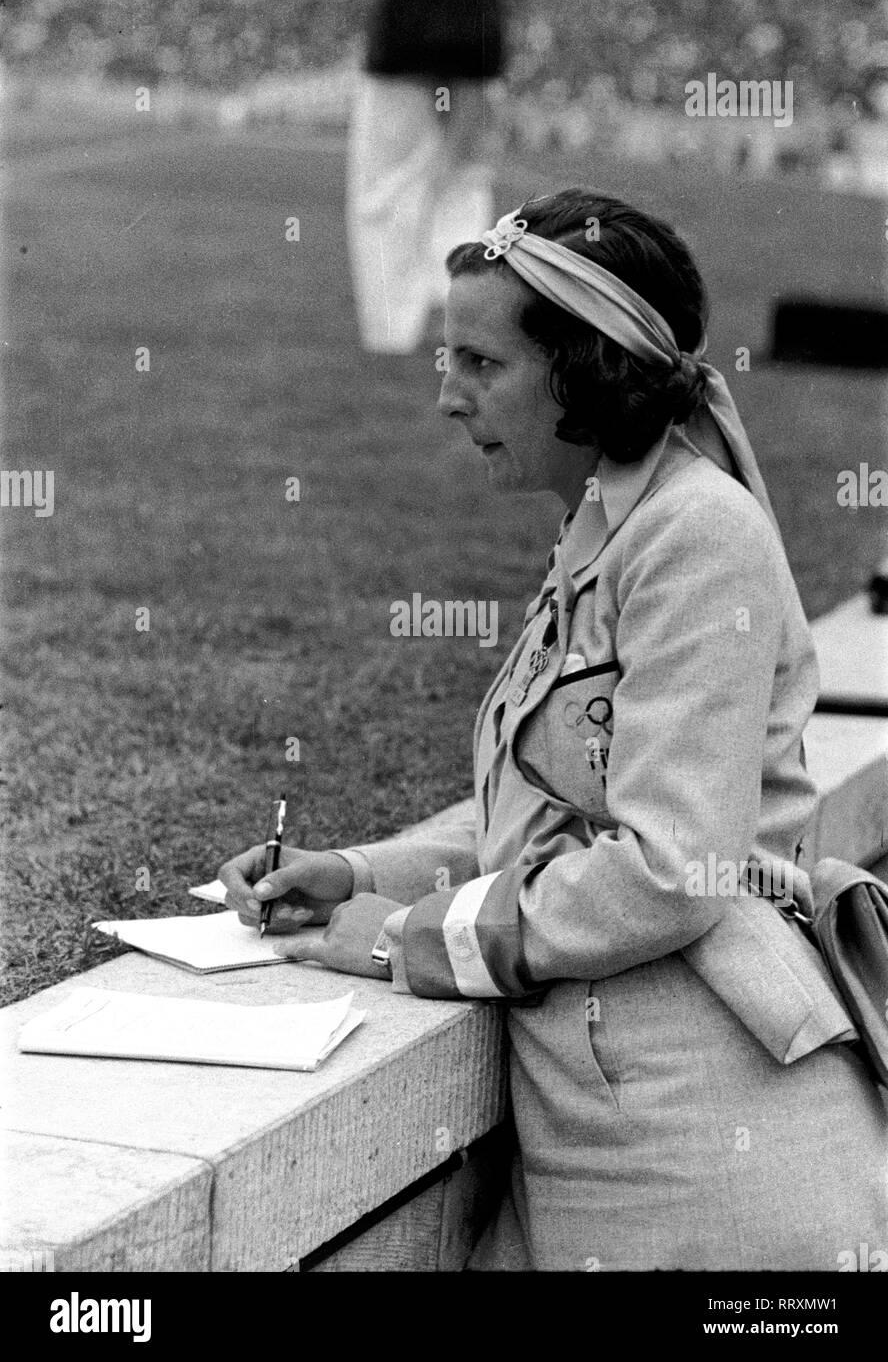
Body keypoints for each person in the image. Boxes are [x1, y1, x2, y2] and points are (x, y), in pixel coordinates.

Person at [220, 189, 888, 1271]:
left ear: (584, 371)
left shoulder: (697, 534)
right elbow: (548, 829)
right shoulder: (605, 528)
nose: (448, 397)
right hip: (605, 1148)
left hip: (718, 1162)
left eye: (480, 364)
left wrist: (402, 940)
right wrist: (353, 870)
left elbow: (670, 867)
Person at [347, 0, 529, 353]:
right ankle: (449, 311)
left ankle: (400, 322)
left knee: (393, 189)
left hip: (411, 33)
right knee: (460, 186)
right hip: (469, 25)